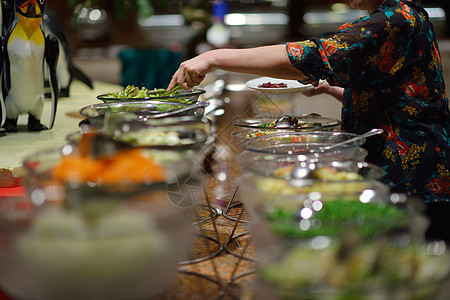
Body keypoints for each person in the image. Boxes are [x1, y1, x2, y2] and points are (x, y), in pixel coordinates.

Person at [168, 0, 449, 202]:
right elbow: (399, 97)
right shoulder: (407, 14)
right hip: (406, 167)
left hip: (411, 176)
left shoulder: (394, 19)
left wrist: (213, 58)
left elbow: (310, 56)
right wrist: (331, 89)